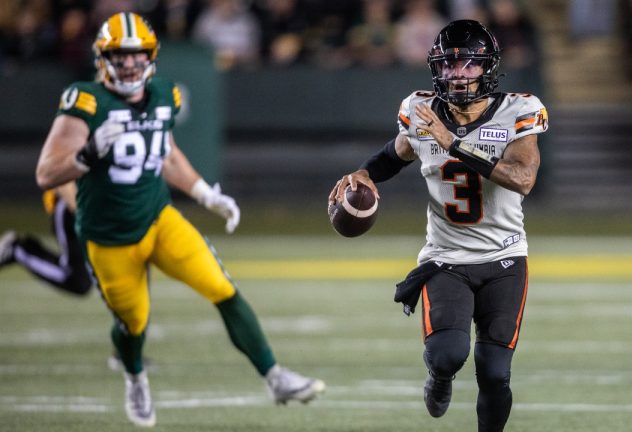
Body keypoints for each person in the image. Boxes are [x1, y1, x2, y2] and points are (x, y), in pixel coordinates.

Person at [35, 12, 324, 427]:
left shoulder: (164, 94)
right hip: (108, 237)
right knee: (132, 324)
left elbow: (167, 154)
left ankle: (275, 376)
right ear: (103, 59)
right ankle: (135, 377)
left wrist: (205, 193)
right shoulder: (85, 101)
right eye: (121, 56)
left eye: (138, 56)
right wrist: (85, 155)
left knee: (221, 287)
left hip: (159, 218)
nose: (131, 65)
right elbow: (46, 173)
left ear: (151, 57)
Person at [328, 20, 548, 432]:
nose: (458, 74)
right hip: (446, 259)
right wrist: (363, 174)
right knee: (448, 354)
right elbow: (395, 154)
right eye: (449, 65)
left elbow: (523, 179)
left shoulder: (519, 110)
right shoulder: (421, 111)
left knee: (495, 372)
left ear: (488, 68)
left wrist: (456, 144)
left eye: (468, 65)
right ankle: (439, 376)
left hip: (505, 257)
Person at [0, 183, 90, 297]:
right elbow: (62, 176)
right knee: (78, 281)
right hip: (72, 206)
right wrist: (81, 214)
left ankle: (23, 249)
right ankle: (18, 250)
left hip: (96, 208)